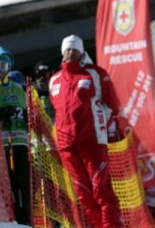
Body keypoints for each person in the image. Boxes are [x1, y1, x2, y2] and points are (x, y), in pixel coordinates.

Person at [49, 35, 123, 228]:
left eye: (74, 49)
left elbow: (112, 104)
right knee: (82, 193)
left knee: (101, 189)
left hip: (92, 140)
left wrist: (102, 124)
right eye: (67, 49)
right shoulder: (54, 80)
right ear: (62, 52)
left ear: (81, 52)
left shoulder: (95, 74)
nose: (70, 52)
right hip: (67, 144)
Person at [0, 46, 30, 225]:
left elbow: (26, 111)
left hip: (20, 142)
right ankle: (10, 217)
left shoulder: (17, 88)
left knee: (24, 182)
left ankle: (25, 218)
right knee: (7, 182)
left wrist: (26, 116)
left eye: (6, 65)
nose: (3, 69)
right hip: (2, 144)